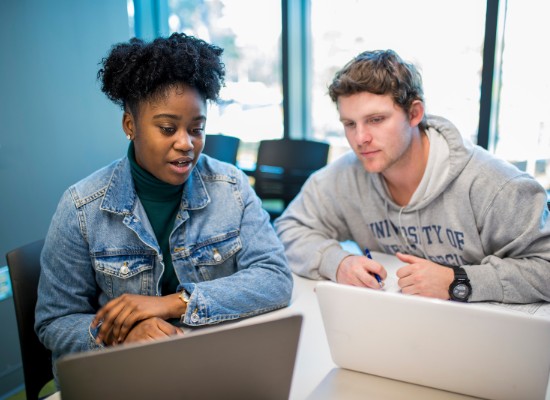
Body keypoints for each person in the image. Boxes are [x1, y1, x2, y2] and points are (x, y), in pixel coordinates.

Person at [35, 33, 293, 379]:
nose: (186, 143)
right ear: (131, 126)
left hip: (212, 363)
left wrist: (175, 302)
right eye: (168, 128)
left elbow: (274, 278)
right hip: (127, 374)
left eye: (196, 129)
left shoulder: (230, 187)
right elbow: (55, 321)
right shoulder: (82, 208)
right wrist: (123, 336)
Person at [275, 49, 550, 304]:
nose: (360, 138)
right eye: (350, 124)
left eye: (376, 119)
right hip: (393, 325)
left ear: (414, 113)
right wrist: (337, 262)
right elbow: (289, 229)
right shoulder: (342, 177)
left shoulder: (495, 185)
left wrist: (458, 280)